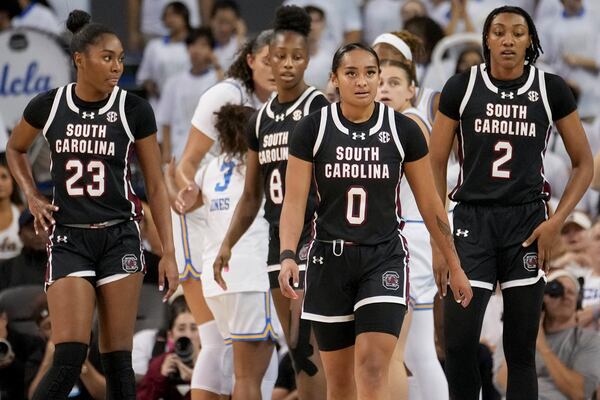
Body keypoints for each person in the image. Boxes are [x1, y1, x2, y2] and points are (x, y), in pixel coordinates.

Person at [278, 42, 472, 400]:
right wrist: (289, 254)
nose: (362, 81)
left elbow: (432, 205)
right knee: (339, 380)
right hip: (328, 259)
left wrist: (455, 264)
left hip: (383, 256)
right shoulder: (311, 129)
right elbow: (293, 202)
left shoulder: (405, 130)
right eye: (351, 73)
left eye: (370, 73)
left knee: (371, 367)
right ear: (335, 79)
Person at [5, 9, 178, 399]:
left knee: (118, 360)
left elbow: (155, 183)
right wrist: (32, 194)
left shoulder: (133, 109)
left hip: (119, 237)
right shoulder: (49, 105)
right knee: (68, 356)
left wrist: (168, 251)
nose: (117, 66)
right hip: (68, 239)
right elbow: (15, 150)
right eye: (107, 58)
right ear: (79, 60)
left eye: (120, 58)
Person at [429, 6, 594, 400]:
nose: (507, 39)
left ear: (529, 41)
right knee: (459, 345)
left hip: (527, 225)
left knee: (520, 350)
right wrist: (440, 239)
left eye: (517, 32)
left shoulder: (549, 88)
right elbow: (433, 163)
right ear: (486, 39)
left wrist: (557, 222)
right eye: (498, 31)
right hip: (471, 221)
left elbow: (584, 163)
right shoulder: (461, 87)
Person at [212, 6, 328, 399]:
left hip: (318, 238)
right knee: (299, 351)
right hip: (278, 241)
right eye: (280, 57)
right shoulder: (259, 121)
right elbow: (250, 194)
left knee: (314, 347)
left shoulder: (319, 108)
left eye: (297, 57)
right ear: (266, 61)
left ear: (308, 58)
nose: (288, 64)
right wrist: (227, 242)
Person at [171, 29, 275, 400]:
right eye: (269, 59)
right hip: (239, 260)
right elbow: (182, 167)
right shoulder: (227, 96)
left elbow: (185, 184)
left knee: (220, 347)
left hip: (216, 258)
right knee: (248, 367)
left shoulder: (210, 170)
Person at [376, 58, 449, 400]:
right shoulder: (395, 123)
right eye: (381, 83)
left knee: (400, 352)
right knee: (416, 351)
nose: (385, 89)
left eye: (394, 83)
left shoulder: (409, 123)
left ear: (412, 90)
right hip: (410, 235)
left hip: (410, 237)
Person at [493, 269, 600, 399]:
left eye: (572, 292)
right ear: (543, 298)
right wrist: (526, 338)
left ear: (578, 301)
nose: (565, 296)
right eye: (557, 291)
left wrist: (543, 348)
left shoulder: (589, 340)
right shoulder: (514, 336)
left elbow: (580, 393)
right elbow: (502, 382)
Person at [157, 27, 220, 163]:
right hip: (179, 153)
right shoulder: (173, 83)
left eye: (203, 45)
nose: (196, 50)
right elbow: (165, 122)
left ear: (211, 50)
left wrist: (217, 65)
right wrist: (166, 155)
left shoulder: (217, 79)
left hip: (211, 156)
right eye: (193, 44)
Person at [27, 297, 106, 400]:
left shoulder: (97, 346)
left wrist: (77, 357)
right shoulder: (37, 355)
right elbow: (33, 397)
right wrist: (47, 362)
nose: (56, 329)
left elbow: (105, 394)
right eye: (48, 326)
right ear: (41, 333)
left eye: (60, 321)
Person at [137, 295, 200, 400]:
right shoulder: (159, 363)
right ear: (171, 335)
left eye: (194, 328)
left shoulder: (212, 364)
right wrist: (160, 379)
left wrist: (196, 381)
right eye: (181, 328)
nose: (188, 335)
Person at [0, 155, 23, 260]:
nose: (0, 183)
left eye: (4, 177)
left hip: (19, 274)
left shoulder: (24, 214)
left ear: (12, 181)